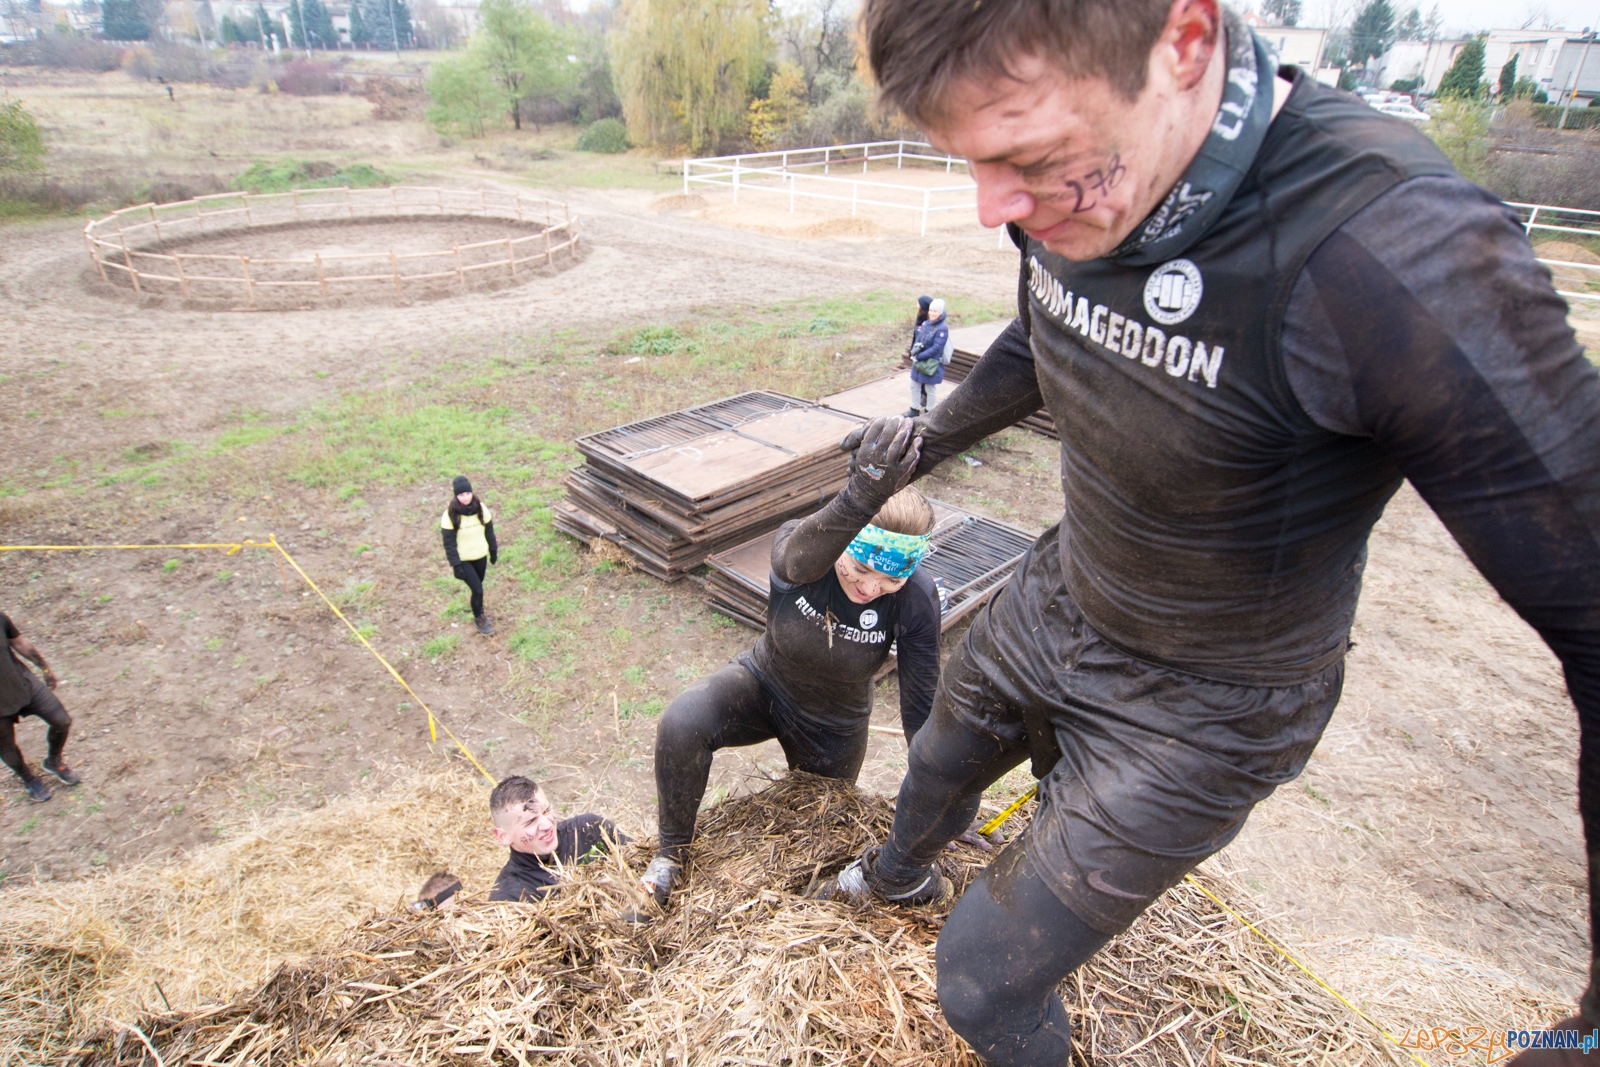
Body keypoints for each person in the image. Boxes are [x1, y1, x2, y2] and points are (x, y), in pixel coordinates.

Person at [821, 1, 1600, 1064]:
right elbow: (1047, 323)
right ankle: (898, 869)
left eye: (1034, 160)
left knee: (979, 981)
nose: (992, 205)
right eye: (969, 160)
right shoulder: (1063, 194)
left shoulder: (1391, 252)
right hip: (1060, 593)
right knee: (934, 768)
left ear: (1182, 43)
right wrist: (929, 439)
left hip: (1207, 705)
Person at [638, 417, 943, 912]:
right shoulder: (804, 549)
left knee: (819, 831)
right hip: (762, 685)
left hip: (835, 726)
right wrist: (859, 493)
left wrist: (945, 796)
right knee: (682, 722)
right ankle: (671, 856)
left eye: (888, 582)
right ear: (843, 544)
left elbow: (920, 706)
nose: (869, 588)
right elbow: (794, 566)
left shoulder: (917, 600)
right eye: (862, 569)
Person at [487, 775, 627, 902]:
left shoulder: (590, 829)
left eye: (547, 811)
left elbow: (642, 857)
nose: (547, 825)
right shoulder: (510, 898)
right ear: (504, 837)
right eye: (530, 822)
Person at [1, 612, 80, 803]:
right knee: (5, 746)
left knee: (62, 721)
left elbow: (19, 643)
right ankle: (28, 778)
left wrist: (44, 667)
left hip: (23, 684)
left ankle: (53, 760)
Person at [440, 475, 498, 636]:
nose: (465, 498)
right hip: (464, 559)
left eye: (467, 493)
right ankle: (479, 618)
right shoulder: (450, 515)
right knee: (477, 589)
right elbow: (449, 544)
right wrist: (456, 565)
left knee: (478, 587)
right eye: (461, 495)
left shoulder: (481, 508)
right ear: (456, 496)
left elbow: (490, 532)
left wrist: (493, 551)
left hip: (480, 555)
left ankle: (479, 609)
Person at [906, 298, 951, 417]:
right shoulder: (926, 323)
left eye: (935, 311)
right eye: (931, 310)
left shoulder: (942, 328)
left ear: (940, 313)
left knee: (930, 388)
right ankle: (914, 409)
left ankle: (929, 411)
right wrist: (915, 351)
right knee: (914, 384)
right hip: (920, 361)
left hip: (932, 363)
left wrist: (919, 356)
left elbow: (937, 348)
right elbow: (919, 339)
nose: (932, 313)